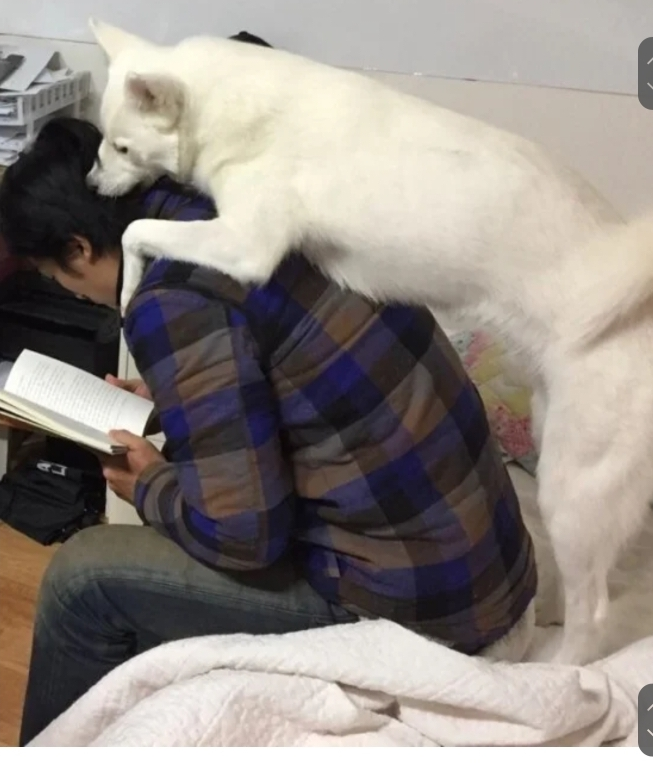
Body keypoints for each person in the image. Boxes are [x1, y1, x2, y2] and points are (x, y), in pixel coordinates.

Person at [0, 117, 537, 745]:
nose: (74, 294)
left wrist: (147, 485)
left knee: (82, 578)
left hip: (424, 611)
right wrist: (174, 401)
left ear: (79, 249)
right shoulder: (250, 214)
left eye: (57, 277)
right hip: (493, 569)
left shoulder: (171, 298)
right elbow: (293, 376)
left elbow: (243, 536)